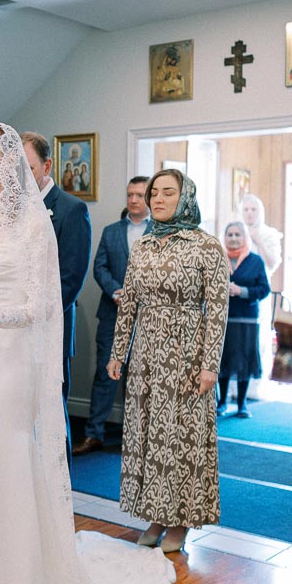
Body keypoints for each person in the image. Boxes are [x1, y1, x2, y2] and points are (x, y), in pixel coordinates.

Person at [0, 122, 192, 584]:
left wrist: (3, 313)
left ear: (6, 161)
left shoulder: (32, 224)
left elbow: (46, 304)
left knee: (5, 458)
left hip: (8, 356)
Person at [107, 169, 229, 554]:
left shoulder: (206, 246)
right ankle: (155, 513)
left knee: (181, 436)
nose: (156, 199)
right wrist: (118, 352)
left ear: (185, 197)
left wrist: (210, 363)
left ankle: (180, 520)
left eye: (167, 193)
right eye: (153, 193)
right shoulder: (144, 245)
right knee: (149, 436)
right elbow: (130, 303)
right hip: (146, 354)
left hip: (188, 353)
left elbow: (218, 310)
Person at [21, 131, 92, 454]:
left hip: (51, 324)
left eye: (29, 168)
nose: (22, 178)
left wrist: (34, 313)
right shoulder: (13, 208)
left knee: (49, 405)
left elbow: (71, 277)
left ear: (47, 165)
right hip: (13, 325)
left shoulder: (70, 209)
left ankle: (57, 489)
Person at [75, 175, 150, 455]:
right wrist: (115, 291)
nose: (133, 199)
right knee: (105, 375)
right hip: (112, 313)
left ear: (150, 199)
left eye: (139, 195)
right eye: (130, 194)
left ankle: (137, 438)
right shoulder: (111, 231)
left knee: (140, 377)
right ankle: (94, 433)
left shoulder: (160, 233)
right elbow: (100, 267)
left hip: (148, 318)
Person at [217, 221, 271, 419]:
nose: (233, 238)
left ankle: (242, 405)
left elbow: (264, 289)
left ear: (245, 237)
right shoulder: (217, 259)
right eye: (229, 234)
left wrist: (242, 291)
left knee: (244, 362)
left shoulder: (255, 261)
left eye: (237, 235)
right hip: (222, 318)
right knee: (222, 360)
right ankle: (222, 402)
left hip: (247, 319)